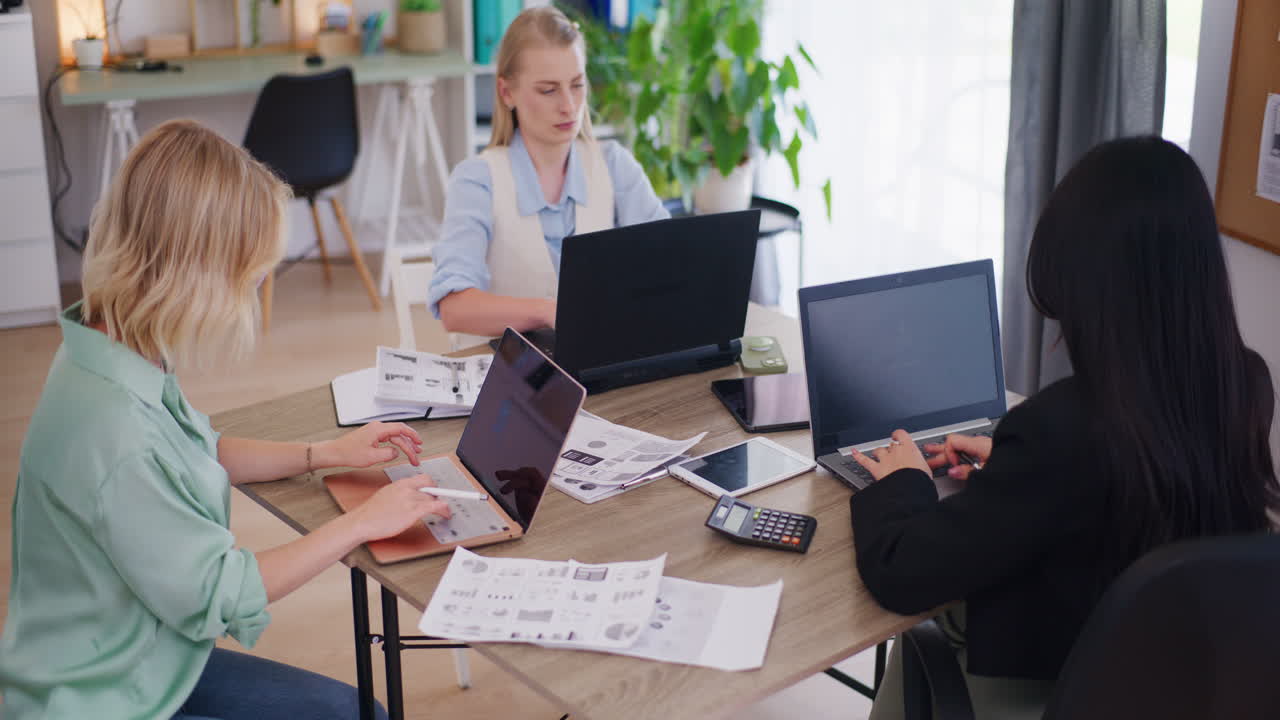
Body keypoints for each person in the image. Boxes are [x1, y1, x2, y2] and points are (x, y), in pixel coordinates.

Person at [0, 120, 453, 720]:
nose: (257, 283)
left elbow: (197, 448)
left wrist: (325, 454)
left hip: (143, 651)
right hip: (106, 696)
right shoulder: (115, 432)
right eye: (250, 269)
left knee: (358, 712)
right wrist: (364, 522)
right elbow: (221, 592)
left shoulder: (108, 340)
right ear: (196, 269)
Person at [846, 136, 1278, 719]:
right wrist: (1016, 474)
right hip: (1186, 685)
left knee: (926, 640)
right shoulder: (1244, 382)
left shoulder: (1058, 432)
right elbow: (1137, 486)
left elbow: (901, 573)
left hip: (1062, 690)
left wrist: (905, 482)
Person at [427, 5, 669, 345]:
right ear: (507, 92)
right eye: (548, 90)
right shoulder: (477, 180)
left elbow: (670, 264)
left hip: (598, 364)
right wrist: (546, 311)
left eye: (577, 85)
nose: (569, 106)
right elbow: (454, 308)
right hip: (504, 378)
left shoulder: (615, 165)